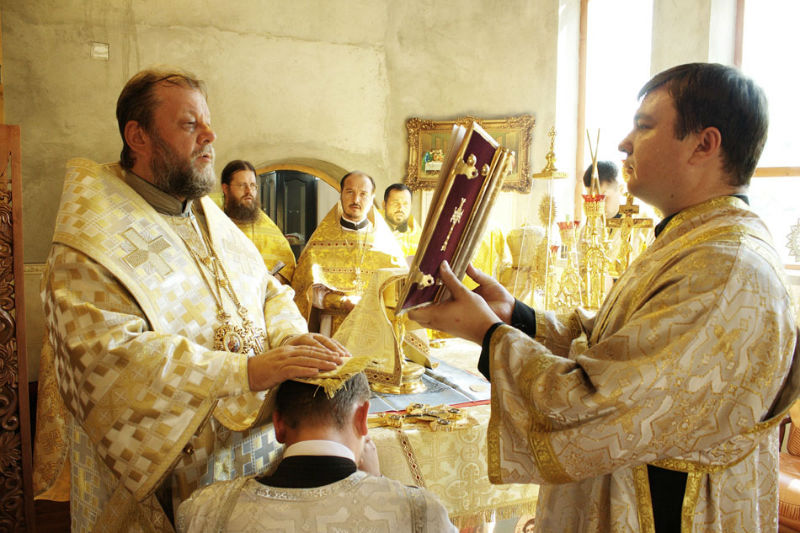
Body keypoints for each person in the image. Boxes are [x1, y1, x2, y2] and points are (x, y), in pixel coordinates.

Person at [409, 62, 799, 532]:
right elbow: (612, 346)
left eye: (644, 126)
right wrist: (516, 317)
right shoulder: (698, 241)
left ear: (704, 144)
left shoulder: (725, 267)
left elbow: (599, 406)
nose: (624, 143)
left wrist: (489, 334)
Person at [32, 68, 348, 532]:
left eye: (208, 123)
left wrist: (289, 341)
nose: (210, 136)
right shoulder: (91, 238)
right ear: (137, 136)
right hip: (162, 477)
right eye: (189, 124)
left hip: (249, 460)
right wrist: (246, 372)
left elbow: (267, 289)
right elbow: (112, 357)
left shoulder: (205, 214)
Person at [176, 369, 457, 532]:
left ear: (278, 425)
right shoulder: (418, 512)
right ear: (362, 418)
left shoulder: (206, 511)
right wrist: (378, 483)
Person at [292, 171, 406, 336]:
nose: (356, 200)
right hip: (331, 329)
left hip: (374, 328)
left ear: (372, 197)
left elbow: (397, 295)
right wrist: (340, 302)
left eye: (363, 194)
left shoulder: (387, 246)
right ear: (341, 194)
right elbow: (305, 292)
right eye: (350, 192)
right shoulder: (319, 244)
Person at [221, 159, 296, 283]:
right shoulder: (213, 221)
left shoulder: (267, 226)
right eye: (242, 185)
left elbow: (287, 266)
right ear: (225, 188)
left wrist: (274, 281)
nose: (249, 191)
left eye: (252, 185)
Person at [382, 183, 422, 258]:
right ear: (384, 205)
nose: (400, 208)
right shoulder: (370, 233)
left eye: (405, 204)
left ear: (411, 206)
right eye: (395, 203)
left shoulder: (419, 240)